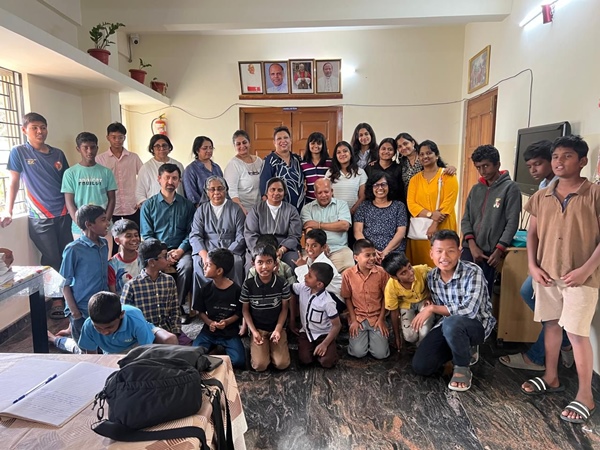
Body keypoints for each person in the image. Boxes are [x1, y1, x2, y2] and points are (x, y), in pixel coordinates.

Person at [520, 135, 600, 424]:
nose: (559, 161)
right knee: (551, 326)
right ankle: (551, 376)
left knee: (577, 334)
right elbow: (532, 234)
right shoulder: (541, 196)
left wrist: (585, 270)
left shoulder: (594, 194)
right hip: (547, 274)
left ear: (582, 161)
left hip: (581, 279)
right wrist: (532, 265)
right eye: (555, 156)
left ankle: (585, 395)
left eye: (567, 156)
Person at [499, 140, 573, 371]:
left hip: (562, 259)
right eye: (529, 166)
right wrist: (533, 263)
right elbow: (534, 228)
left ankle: (538, 358)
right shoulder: (543, 185)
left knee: (550, 311)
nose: (533, 170)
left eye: (537, 164)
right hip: (544, 256)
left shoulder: (566, 188)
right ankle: (565, 341)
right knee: (532, 295)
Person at [1, 113, 72, 318]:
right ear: (24, 130)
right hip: (39, 217)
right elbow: (14, 182)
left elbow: (67, 184)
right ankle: (56, 299)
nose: (40, 131)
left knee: (67, 255)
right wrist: (8, 210)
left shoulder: (58, 154)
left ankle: (70, 295)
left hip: (63, 213)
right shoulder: (19, 152)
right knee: (51, 258)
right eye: (34, 128)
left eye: (43, 127)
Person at [412, 230, 496, 392]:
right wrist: (429, 302)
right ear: (431, 254)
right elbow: (437, 304)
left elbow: (469, 311)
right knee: (421, 365)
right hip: (448, 326)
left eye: (450, 251)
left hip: (476, 325)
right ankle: (460, 348)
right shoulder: (432, 277)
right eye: (439, 251)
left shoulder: (473, 272)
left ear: (459, 252)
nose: (444, 257)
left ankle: (462, 367)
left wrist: (432, 308)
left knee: (453, 322)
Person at [460, 144, 521, 296]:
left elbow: (512, 222)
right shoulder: (476, 189)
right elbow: (466, 218)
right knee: (462, 289)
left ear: (497, 165)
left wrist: (499, 249)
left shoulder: (510, 188)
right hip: (470, 248)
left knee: (482, 294)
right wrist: (471, 245)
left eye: (486, 166)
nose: (482, 171)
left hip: (490, 253)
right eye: (478, 167)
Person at [49, 205, 110, 354]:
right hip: (82, 309)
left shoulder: (104, 244)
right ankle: (55, 340)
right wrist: (75, 313)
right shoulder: (74, 249)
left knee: (102, 349)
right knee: (85, 353)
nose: (107, 223)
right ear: (89, 224)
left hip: (102, 307)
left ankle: (68, 333)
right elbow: (64, 283)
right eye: (103, 220)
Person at [140, 163, 196, 320]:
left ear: (179, 181)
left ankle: (176, 307)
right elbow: (147, 235)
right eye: (167, 178)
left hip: (181, 250)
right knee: (149, 265)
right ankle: (154, 307)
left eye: (174, 178)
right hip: (156, 251)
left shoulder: (187, 205)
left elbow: (191, 233)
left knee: (187, 266)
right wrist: (162, 254)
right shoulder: (148, 205)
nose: (170, 182)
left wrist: (180, 250)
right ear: (159, 179)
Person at [190, 176, 246, 295]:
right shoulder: (201, 210)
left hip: (230, 249)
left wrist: (227, 254)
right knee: (199, 263)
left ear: (226, 190)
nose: (216, 193)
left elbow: (241, 236)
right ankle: (204, 301)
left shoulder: (236, 209)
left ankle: (234, 300)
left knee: (236, 262)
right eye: (212, 189)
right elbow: (195, 235)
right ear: (207, 192)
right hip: (207, 248)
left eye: (220, 188)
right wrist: (205, 256)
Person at [406, 140, 458, 267]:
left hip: (443, 225)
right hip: (421, 231)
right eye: (421, 154)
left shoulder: (448, 176)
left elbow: (448, 203)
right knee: (420, 266)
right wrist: (430, 215)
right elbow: (411, 204)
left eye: (429, 153)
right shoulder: (414, 180)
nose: (425, 156)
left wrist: (434, 224)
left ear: (437, 155)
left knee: (442, 261)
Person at [241, 244, 291, 372]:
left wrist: (278, 330)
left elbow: (284, 309)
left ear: (275, 263)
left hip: (277, 327)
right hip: (258, 329)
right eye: (260, 262)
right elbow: (245, 310)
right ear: (253, 264)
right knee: (260, 365)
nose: (264, 267)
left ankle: (275, 344)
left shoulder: (282, 283)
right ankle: (261, 348)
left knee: (282, 364)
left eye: (269, 262)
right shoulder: (248, 285)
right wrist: (254, 332)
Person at [76, 291, 178, 354]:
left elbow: (146, 350)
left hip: (138, 344)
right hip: (113, 352)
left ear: (121, 315)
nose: (104, 332)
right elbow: (91, 355)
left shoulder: (135, 320)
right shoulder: (88, 325)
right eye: (98, 328)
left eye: (109, 327)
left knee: (170, 340)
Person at [192, 248, 245, 369]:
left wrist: (226, 322)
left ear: (219, 271)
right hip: (209, 332)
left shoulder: (236, 290)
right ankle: (215, 350)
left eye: (208, 265)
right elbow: (200, 311)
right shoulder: (205, 289)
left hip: (229, 333)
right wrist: (209, 322)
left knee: (238, 361)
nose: (204, 267)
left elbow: (238, 313)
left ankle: (213, 353)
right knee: (193, 355)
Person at [61, 132, 117, 245]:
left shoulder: (106, 172)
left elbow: (112, 199)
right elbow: (69, 202)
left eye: (92, 147)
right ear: (78, 149)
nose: (89, 151)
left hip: (104, 228)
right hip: (80, 229)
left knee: (105, 255)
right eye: (85, 148)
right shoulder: (70, 173)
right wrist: (81, 224)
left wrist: (105, 222)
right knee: (84, 256)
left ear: (97, 148)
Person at [121, 238, 181, 337]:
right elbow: (124, 315)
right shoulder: (131, 286)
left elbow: (175, 309)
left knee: (190, 345)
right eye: (164, 256)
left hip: (166, 331)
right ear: (152, 262)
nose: (168, 259)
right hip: (143, 333)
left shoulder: (169, 280)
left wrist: (175, 331)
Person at [341, 239, 390, 360]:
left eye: (374, 254)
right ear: (356, 257)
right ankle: (363, 341)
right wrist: (353, 320)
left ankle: (374, 340)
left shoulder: (382, 273)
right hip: (359, 317)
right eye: (367, 255)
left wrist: (381, 319)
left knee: (381, 354)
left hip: (376, 317)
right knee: (358, 353)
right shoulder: (348, 274)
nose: (372, 258)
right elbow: (347, 298)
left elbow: (386, 297)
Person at [245, 177, 302, 269]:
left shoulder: (291, 210)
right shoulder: (256, 210)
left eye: (280, 190)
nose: (276, 193)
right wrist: (262, 251)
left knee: (293, 260)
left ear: (284, 193)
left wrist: (282, 250)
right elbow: (250, 234)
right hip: (259, 247)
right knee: (250, 266)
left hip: (284, 248)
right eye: (272, 189)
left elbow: (294, 235)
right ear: (266, 192)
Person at [292, 262, 341, 368]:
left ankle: (331, 347)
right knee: (305, 360)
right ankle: (312, 350)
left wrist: (325, 344)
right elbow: (288, 288)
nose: (305, 276)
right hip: (306, 333)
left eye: (309, 276)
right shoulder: (303, 287)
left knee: (327, 362)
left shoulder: (328, 302)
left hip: (324, 335)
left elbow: (337, 325)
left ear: (319, 284)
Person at [291, 229, 344, 327]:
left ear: (323, 247)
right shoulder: (312, 259)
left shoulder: (323, 263)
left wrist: (301, 267)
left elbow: (307, 284)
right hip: (323, 292)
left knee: (303, 290)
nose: (309, 249)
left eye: (314, 246)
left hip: (335, 299)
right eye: (307, 245)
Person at [300, 178, 355, 272]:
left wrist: (318, 225)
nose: (323, 195)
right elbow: (310, 232)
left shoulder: (342, 205)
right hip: (315, 249)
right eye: (320, 193)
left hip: (339, 249)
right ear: (315, 194)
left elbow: (344, 226)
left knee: (348, 271)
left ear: (331, 191)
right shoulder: (307, 208)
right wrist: (321, 245)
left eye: (326, 192)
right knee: (305, 271)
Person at [382, 252, 433, 350]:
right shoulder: (391, 287)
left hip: (424, 300)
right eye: (403, 273)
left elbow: (436, 281)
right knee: (410, 337)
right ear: (394, 277)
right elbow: (394, 311)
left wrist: (430, 297)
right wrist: (397, 337)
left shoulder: (422, 270)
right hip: (406, 305)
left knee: (424, 332)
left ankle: (422, 348)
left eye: (409, 267)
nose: (410, 273)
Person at [96, 122, 143, 227]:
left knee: (134, 234)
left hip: (132, 205)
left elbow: (143, 178)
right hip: (111, 207)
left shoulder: (133, 157)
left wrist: (140, 199)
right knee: (113, 236)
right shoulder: (100, 159)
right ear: (108, 137)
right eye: (114, 137)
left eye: (120, 137)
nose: (117, 140)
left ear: (124, 138)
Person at [354, 172, 408, 260]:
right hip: (368, 252)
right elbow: (357, 231)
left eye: (383, 184)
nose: (380, 188)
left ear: (389, 186)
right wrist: (371, 251)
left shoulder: (399, 206)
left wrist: (385, 252)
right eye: (376, 185)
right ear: (371, 188)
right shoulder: (363, 206)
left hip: (394, 252)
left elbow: (401, 232)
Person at [259, 126, 305, 211]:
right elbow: (264, 189)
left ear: (290, 140)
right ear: (274, 142)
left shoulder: (297, 159)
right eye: (279, 138)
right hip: (278, 210)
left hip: (300, 208)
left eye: (286, 138)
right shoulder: (269, 161)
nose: (283, 141)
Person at [135, 134, 185, 206]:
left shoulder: (178, 165)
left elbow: (183, 189)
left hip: (178, 207)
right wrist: (149, 208)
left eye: (164, 145)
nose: (161, 148)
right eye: (157, 146)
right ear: (152, 149)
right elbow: (139, 194)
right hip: (155, 208)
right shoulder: (146, 168)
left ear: (169, 147)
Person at [224, 130, 264, 214]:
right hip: (243, 210)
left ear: (249, 143)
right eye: (238, 144)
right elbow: (232, 192)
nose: (242, 146)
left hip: (260, 208)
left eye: (244, 142)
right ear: (234, 146)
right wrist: (242, 210)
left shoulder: (259, 161)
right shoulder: (233, 165)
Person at [325, 140, 367, 215]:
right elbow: (327, 193)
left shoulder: (360, 172)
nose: (342, 154)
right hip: (335, 213)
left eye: (345, 151)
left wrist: (352, 211)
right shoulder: (330, 172)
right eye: (339, 152)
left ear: (351, 153)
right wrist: (337, 211)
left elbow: (362, 196)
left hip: (355, 213)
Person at [183, 136, 223, 206]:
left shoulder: (216, 167)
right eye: (205, 148)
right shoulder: (191, 169)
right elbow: (191, 196)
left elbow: (223, 188)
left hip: (220, 206)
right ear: (197, 150)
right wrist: (203, 209)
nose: (209, 151)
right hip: (201, 209)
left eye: (211, 148)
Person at [108, 219, 142, 295]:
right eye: (128, 236)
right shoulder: (112, 265)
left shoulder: (144, 258)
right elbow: (113, 293)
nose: (134, 239)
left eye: (136, 235)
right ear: (117, 240)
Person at [366, 138, 405, 202]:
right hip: (372, 204)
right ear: (378, 150)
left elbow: (401, 192)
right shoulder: (370, 168)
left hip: (394, 204)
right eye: (383, 149)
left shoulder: (399, 169)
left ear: (395, 152)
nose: (386, 152)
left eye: (390, 149)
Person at [300, 132, 332, 203]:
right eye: (313, 143)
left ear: (323, 145)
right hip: (309, 201)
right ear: (308, 145)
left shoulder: (330, 163)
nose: (316, 146)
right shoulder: (303, 164)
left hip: (326, 200)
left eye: (319, 143)